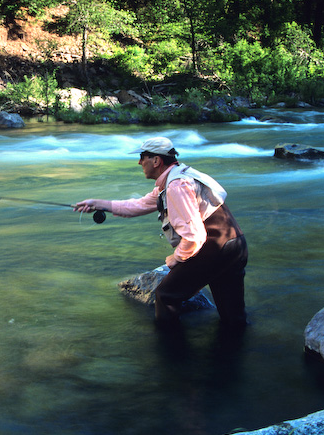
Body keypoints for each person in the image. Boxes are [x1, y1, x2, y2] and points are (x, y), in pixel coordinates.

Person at [74, 136, 248, 328]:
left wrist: (176, 258)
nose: (139, 162)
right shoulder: (176, 178)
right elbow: (137, 205)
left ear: (156, 161)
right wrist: (97, 204)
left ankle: (173, 351)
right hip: (234, 244)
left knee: (165, 296)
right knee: (233, 318)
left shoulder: (175, 186)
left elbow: (194, 236)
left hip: (214, 248)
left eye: (143, 157)